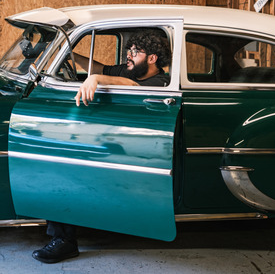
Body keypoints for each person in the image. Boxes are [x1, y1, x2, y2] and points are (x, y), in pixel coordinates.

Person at [32, 30, 171, 264]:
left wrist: (96, 79)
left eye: (135, 52)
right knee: (61, 162)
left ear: (152, 58)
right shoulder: (131, 69)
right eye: (129, 50)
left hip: (140, 146)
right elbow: (101, 68)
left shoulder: (161, 81)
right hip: (116, 138)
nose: (129, 55)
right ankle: (66, 232)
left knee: (66, 171)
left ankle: (64, 240)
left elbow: (130, 85)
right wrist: (70, 54)